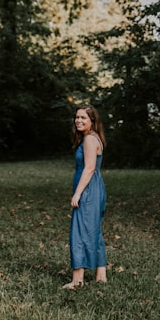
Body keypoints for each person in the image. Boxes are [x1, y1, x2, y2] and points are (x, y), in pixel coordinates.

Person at [62, 104, 107, 289]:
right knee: (94, 231)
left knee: (79, 232)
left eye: (83, 118)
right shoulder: (94, 138)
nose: (78, 121)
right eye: (77, 117)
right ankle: (101, 276)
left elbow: (89, 168)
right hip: (96, 188)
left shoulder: (89, 140)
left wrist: (78, 193)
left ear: (92, 121)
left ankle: (77, 281)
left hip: (88, 190)